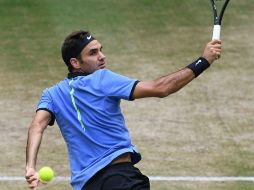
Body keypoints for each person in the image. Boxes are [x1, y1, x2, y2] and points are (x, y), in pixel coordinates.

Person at [25, 30, 222, 190]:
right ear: (75, 63)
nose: (102, 57)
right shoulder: (102, 79)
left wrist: (30, 167)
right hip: (119, 179)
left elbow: (36, 127)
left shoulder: (51, 94)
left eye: (100, 50)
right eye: (93, 53)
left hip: (87, 185)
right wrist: (203, 61)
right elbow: (161, 88)